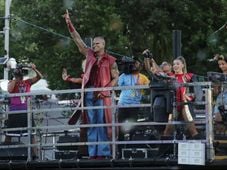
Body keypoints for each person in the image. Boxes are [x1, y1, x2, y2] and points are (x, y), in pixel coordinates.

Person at [64, 10, 119, 159]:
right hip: (88, 92)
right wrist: (69, 23)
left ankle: (103, 153)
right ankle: (93, 153)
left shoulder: (111, 60)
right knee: (91, 123)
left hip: (102, 93)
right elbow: (77, 39)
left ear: (103, 45)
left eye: (97, 43)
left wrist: (106, 89)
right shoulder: (88, 54)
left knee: (102, 123)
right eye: (93, 43)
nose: (94, 45)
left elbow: (116, 78)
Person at [143, 50, 200, 139]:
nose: (175, 66)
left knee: (191, 129)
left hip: (185, 105)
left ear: (182, 65)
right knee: (168, 130)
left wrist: (190, 98)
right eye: (174, 64)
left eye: (177, 64)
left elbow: (196, 90)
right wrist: (151, 59)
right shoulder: (170, 76)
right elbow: (158, 71)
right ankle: (164, 150)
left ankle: (199, 146)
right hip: (173, 106)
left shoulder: (189, 76)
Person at [5, 63, 43, 157]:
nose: (20, 75)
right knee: (9, 133)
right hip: (15, 111)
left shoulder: (28, 82)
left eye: (21, 74)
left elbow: (40, 76)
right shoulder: (12, 82)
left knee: (32, 134)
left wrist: (34, 68)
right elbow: (10, 90)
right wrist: (15, 77)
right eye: (19, 74)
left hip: (26, 111)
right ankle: (5, 155)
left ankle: (36, 156)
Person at [117, 57, 150, 156]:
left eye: (137, 64)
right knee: (121, 127)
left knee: (133, 127)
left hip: (135, 105)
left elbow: (149, 89)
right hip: (123, 104)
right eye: (133, 64)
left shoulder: (143, 77)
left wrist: (142, 86)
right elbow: (118, 86)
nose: (135, 66)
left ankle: (130, 149)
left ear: (140, 66)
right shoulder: (123, 75)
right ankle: (120, 149)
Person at [212, 54, 227, 133]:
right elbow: (216, 93)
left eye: (223, 64)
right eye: (219, 64)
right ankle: (219, 140)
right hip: (220, 99)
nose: (221, 66)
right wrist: (215, 86)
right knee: (217, 120)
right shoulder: (219, 75)